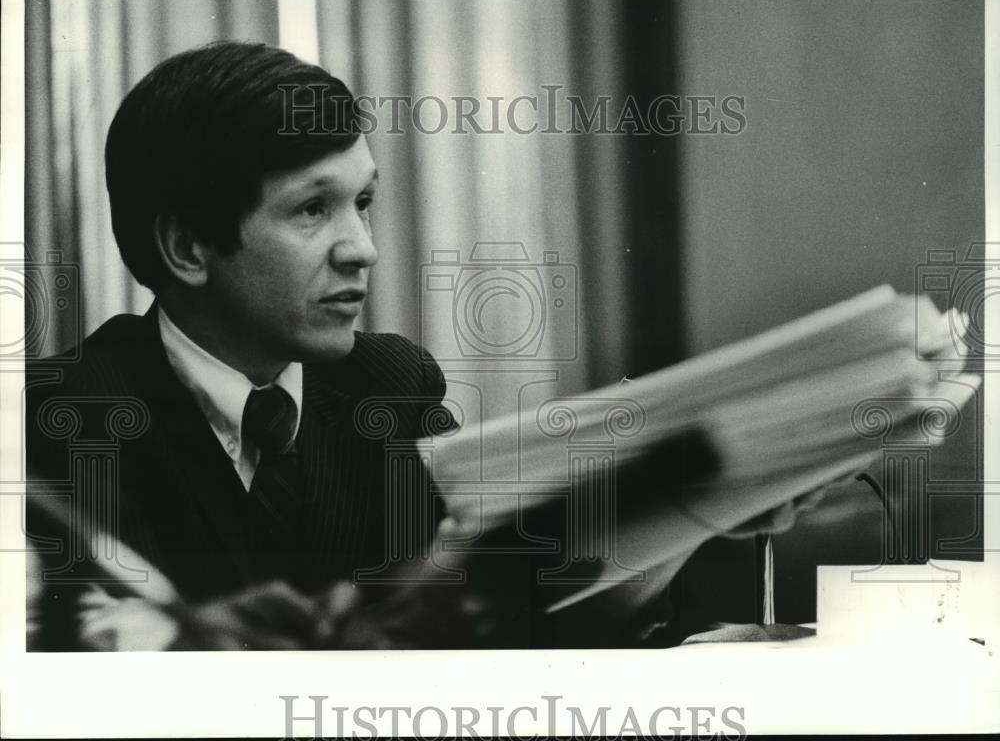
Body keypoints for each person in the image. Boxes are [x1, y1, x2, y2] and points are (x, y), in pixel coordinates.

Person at [25, 40, 817, 651]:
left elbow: (503, 625)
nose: (361, 248)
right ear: (188, 247)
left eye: (362, 203)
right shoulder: (63, 422)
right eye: (312, 211)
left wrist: (691, 510)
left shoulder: (389, 390)